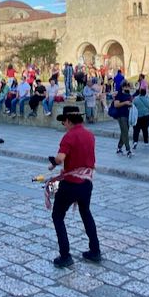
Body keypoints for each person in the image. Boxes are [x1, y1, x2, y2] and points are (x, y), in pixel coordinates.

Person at [46, 105, 100, 268]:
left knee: (57, 216)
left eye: (64, 122)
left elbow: (61, 157)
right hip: (86, 183)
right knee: (86, 212)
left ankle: (65, 255)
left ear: (69, 120)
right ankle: (95, 251)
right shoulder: (90, 135)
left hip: (71, 184)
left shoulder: (69, 137)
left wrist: (53, 163)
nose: (64, 125)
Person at [112, 82, 133, 157]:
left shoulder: (128, 95)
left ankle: (119, 147)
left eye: (128, 86)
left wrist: (130, 104)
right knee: (125, 132)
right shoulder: (119, 95)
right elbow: (116, 104)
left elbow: (130, 104)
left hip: (127, 115)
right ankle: (128, 150)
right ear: (123, 87)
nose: (128, 88)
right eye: (126, 87)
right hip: (121, 115)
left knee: (125, 132)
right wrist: (125, 103)